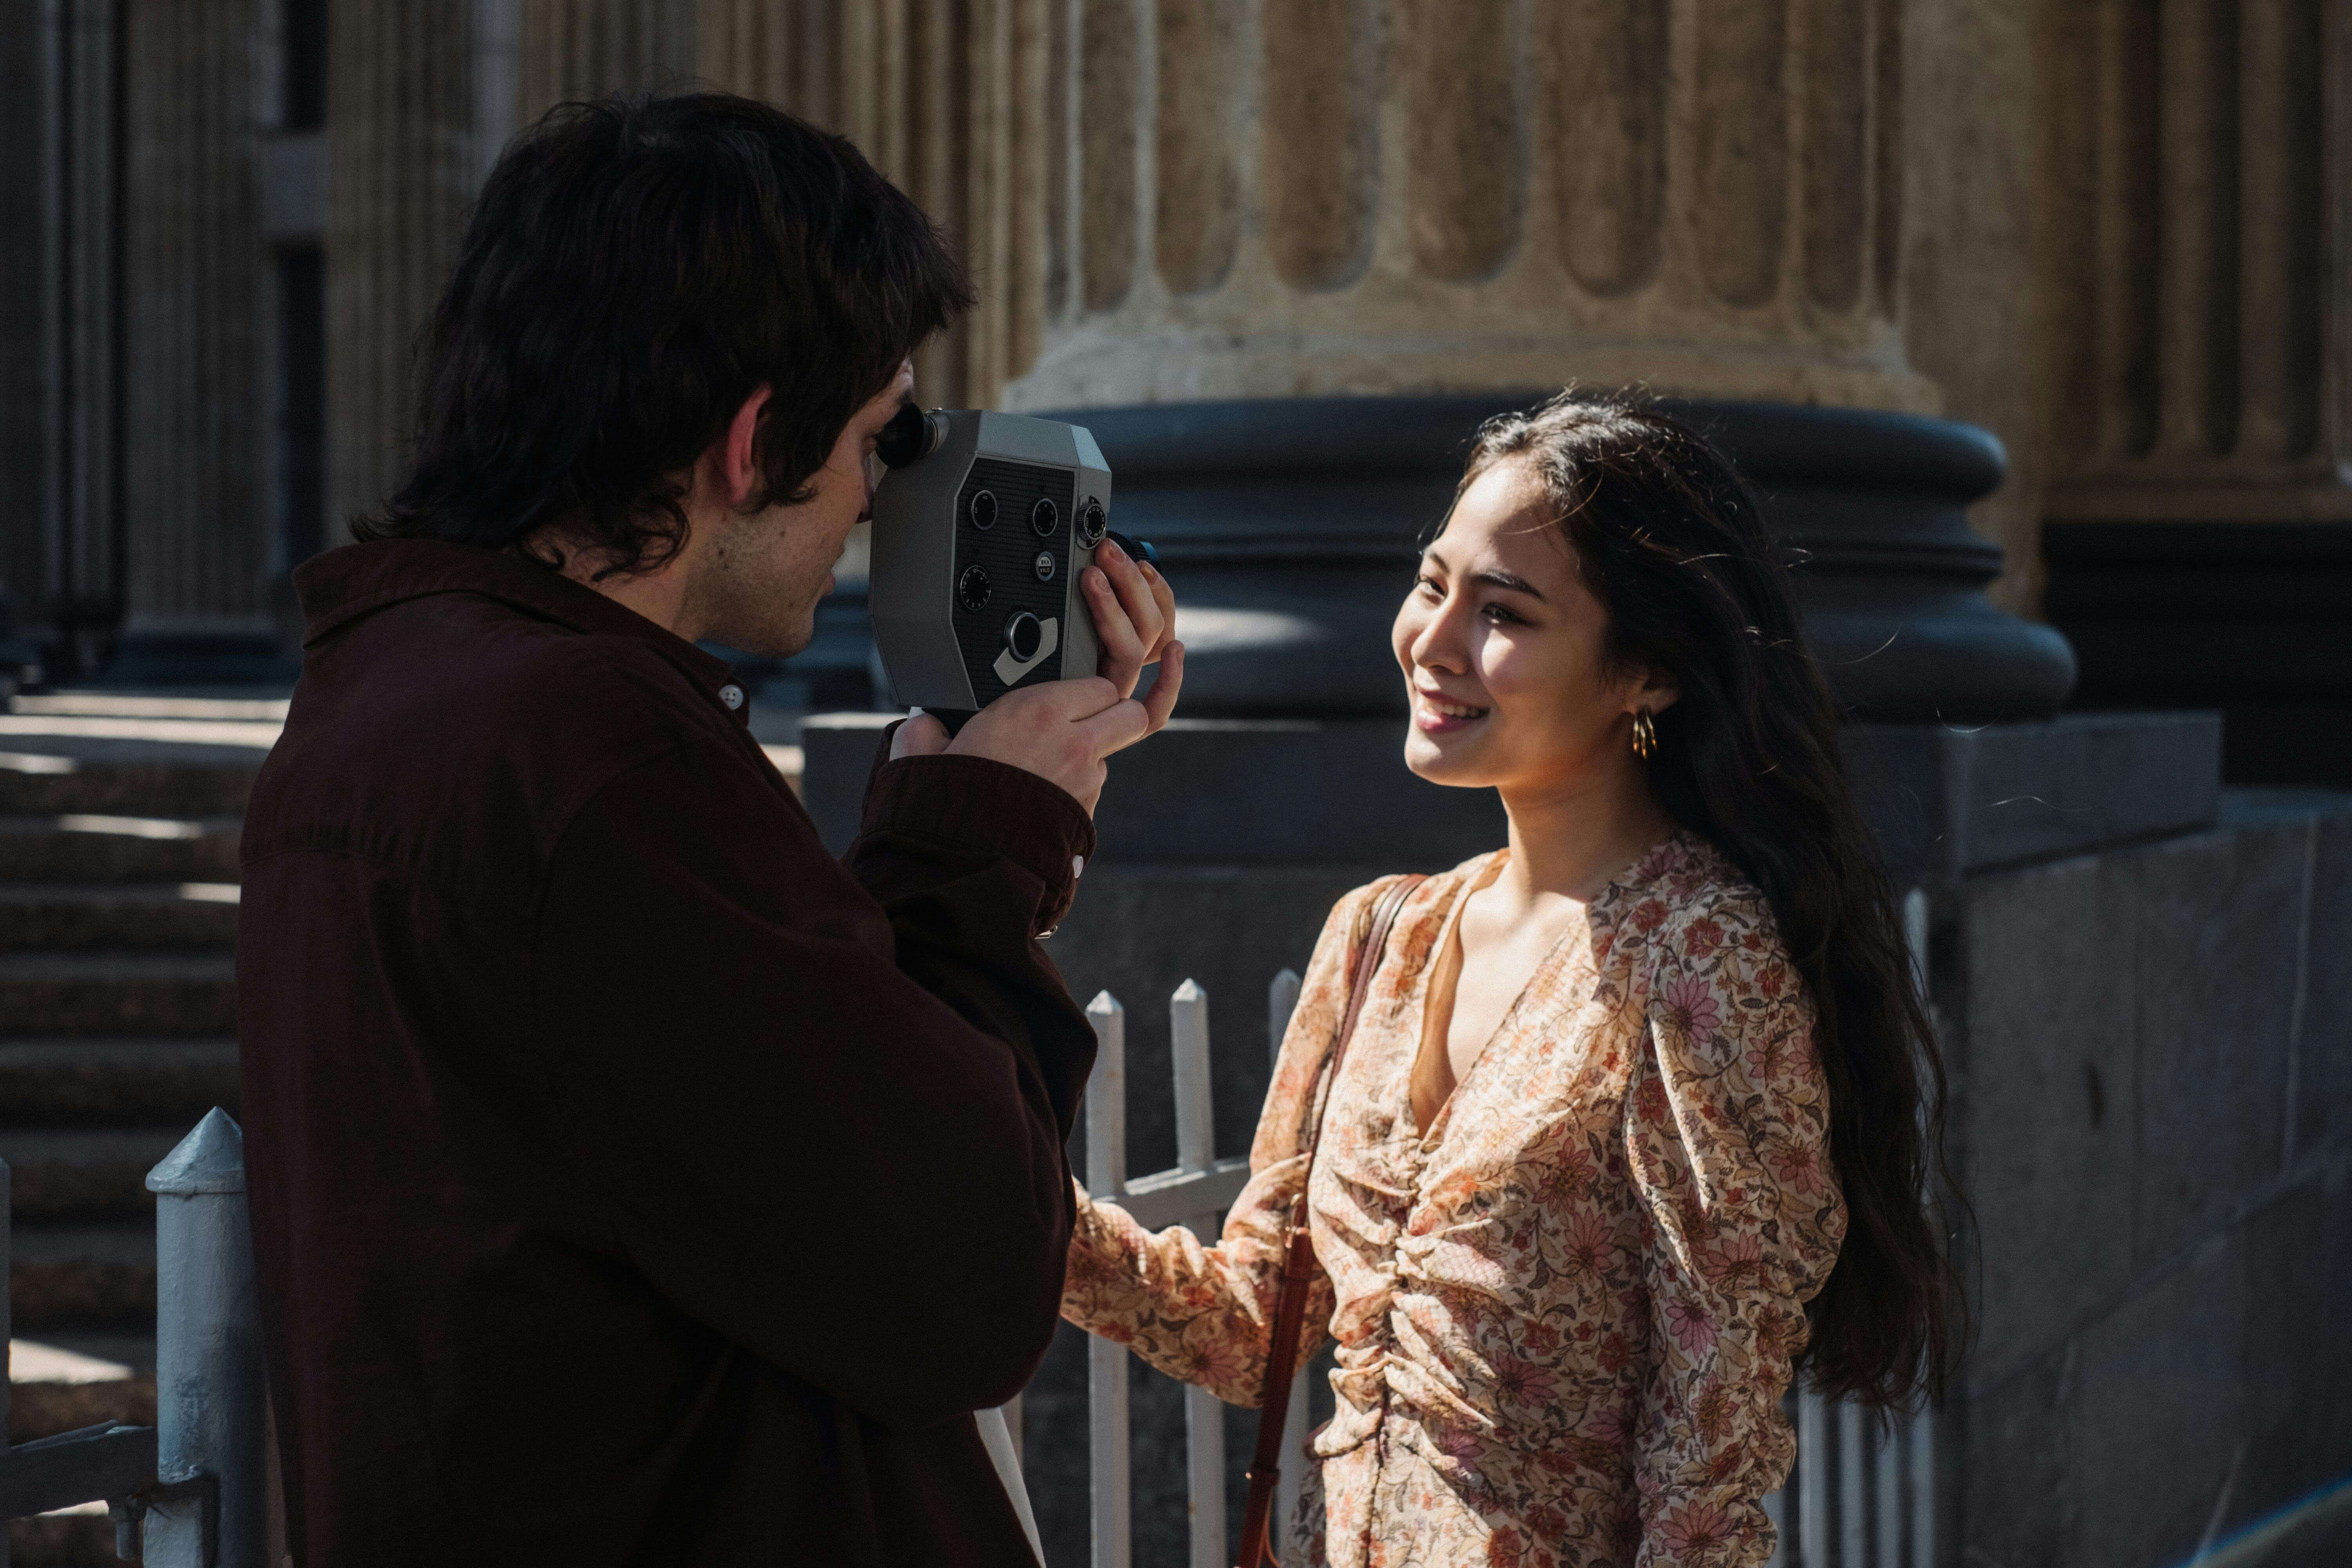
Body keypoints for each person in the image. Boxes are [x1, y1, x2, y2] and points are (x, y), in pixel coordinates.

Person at [237, 92, 1179, 1566]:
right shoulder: (590, 754)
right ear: (752, 443)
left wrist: (953, 810)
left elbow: (731, 1137)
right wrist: (990, 846)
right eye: (874, 441)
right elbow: (962, 1280)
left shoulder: (394, 686)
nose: (876, 501)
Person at [1059, 394, 1963, 1568]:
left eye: (1505, 613)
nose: (1433, 643)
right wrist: (1016, 1205)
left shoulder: (1696, 964)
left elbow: (1708, 1468)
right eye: (1433, 585)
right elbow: (1256, 1331)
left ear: (1648, 673)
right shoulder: (1382, 935)